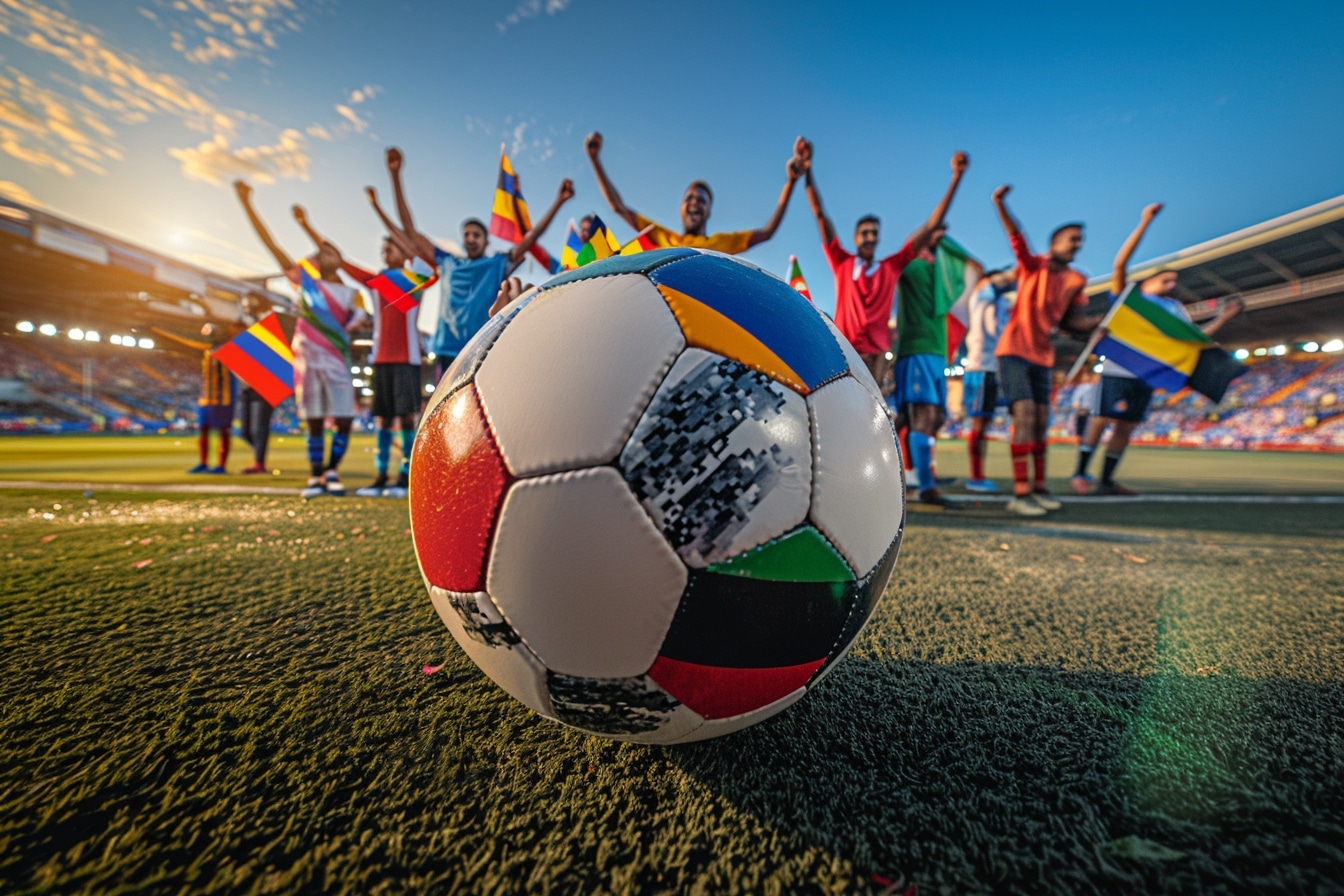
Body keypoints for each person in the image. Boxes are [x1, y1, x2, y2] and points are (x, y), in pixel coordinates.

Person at [1071, 203, 1243, 495]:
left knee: (1125, 427)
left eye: (1175, 280)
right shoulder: (1129, 299)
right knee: (1100, 420)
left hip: (1148, 375)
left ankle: (1107, 480)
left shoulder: (1174, 308)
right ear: (1148, 279)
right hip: (1117, 370)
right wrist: (1144, 223)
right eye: (1166, 278)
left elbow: (1193, 339)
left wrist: (1223, 318)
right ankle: (1080, 473)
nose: (1172, 282)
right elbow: (1120, 265)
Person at [381, 147, 570, 379]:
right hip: (446, 350)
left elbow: (530, 238)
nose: (470, 238)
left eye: (476, 235)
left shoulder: (496, 264)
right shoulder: (447, 262)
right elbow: (410, 230)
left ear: (485, 240)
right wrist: (395, 175)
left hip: (483, 345)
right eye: (467, 234)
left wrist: (559, 201)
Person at [234, 180, 367, 499]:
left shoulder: (352, 293)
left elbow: (360, 319)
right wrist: (247, 204)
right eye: (322, 252)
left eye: (330, 249)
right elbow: (273, 246)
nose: (326, 254)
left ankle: (333, 469)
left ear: (339, 256)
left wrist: (349, 324)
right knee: (316, 423)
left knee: (345, 420)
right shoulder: (306, 284)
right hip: (307, 361)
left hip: (337, 362)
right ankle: (317, 476)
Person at [804, 143, 970, 391]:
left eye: (874, 233)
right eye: (864, 233)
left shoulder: (891, 267)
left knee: (870, 407)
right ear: (855, 237)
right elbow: (820, 214)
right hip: (843, 347)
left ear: (879, 238)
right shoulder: (842, 262)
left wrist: (956, 177)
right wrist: (807, 171)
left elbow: (931, 225)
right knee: (840, 400)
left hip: (877, 354)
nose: (870, 237)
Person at [293, 202, 427, 497]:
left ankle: (405, 477)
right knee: (382, 419)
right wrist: (308, 227)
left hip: (408, 359)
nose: (386, 253)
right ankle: (381, 476)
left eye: (392, 248)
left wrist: (382, 206)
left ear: (405, 253)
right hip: (380, 359)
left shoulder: (417, 280)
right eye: (384, 249)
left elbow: (415, 245)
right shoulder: (376, 282)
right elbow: (338, 259)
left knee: (406, 418)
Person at [991, 185, 1104, 516]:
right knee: (1024, 416)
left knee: (1041, 421)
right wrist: (1000, 203)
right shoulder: (1033, 265)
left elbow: (1073, 322)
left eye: (1080, 241)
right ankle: (1021, 494)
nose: (1077, 245)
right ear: (1054, 243)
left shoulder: (1076, 280)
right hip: (1013, 350)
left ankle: (1038, 489)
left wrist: (1098, 324)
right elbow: (1017, 237)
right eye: (1072, 239)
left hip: (1043, 355)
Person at [585, 131, 803, 254]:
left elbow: (767, 231)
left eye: (701, 200)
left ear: (708, 212)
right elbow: (618, 207)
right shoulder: (662, 236)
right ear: (680, 208)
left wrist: (791, 183)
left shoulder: (721, 243)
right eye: (689, 198)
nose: (694, 203)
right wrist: (595, 160)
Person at [892, 212, 978, 506]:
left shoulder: (940, 276)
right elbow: (916, 243)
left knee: (926, 418)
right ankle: (925, 486)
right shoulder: (911, 267)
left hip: (937, 354)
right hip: (916, 350)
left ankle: (900, 471)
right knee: (922, 417)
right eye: (933, 239)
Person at [153, 322, 234, 474]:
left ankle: (221, 466)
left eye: (209, 333)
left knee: (224, 431)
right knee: (204, 430)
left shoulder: (227, 351)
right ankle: (204, 463)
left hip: (222, 399)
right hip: (206, 398)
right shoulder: (206, 352)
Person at [962, 267, 1016, 493]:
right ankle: (976, 476)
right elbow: (995, 330)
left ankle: (979, 475)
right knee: (979, 425)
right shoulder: (985, 295)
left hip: (989, 369)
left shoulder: (997, 299)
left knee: (983, 424)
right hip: (981, 369)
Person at [236, 292, 275, 474]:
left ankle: (259, 463)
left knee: (260, 426)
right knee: (245, 430)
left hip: (266, 382)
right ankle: (259, 452)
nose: (246, 307)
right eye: (244, 304)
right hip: (246, 383)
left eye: (249, 304)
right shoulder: (241, 326)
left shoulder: (267, 322)